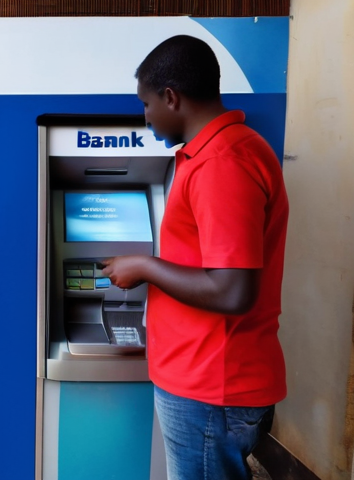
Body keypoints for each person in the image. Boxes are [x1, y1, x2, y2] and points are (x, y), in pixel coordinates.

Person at [100, 35, 289, 480]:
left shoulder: (222, 162)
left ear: (171, 97)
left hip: (211, 386)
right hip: (209, 381)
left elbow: (233, 290)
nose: (144, 116)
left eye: (146, 104)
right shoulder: (215, 153)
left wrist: (144, 266)